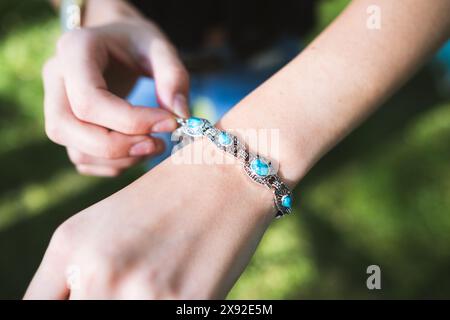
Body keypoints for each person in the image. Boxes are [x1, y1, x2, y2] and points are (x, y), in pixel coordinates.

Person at [25, 0, 450, 299]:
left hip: (269, 52)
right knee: (146, 150)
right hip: (137, 54)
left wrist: (226, 176)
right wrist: (95, 12)